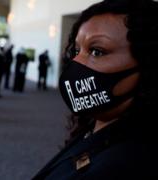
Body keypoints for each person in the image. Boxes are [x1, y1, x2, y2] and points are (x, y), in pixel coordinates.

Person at [32, 0, 158, 179]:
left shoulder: (129, 164)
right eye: (77, 51)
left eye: (97, 51)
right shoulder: (95, 125)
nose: (76, 64)